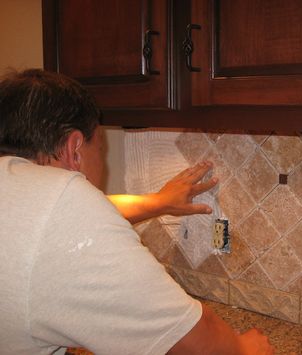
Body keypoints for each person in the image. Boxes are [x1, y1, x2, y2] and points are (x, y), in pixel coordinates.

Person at [0, 69, 274, 355]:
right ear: (76, 150)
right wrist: (244, 349)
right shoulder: (65, 200)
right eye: (101, 148)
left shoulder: (21, 192)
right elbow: (188, 337)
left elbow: (48, 222)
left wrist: (159, 202)